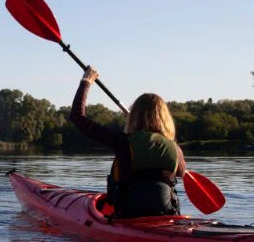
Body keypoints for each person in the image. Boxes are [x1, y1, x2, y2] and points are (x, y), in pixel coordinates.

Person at [69, 66, 186, 218]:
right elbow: (181, 173)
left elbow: (77, 116)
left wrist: (86, 81)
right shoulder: (175, 149)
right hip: (167, 216)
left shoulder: (122, 142)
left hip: (129, 217)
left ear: (134, 116)